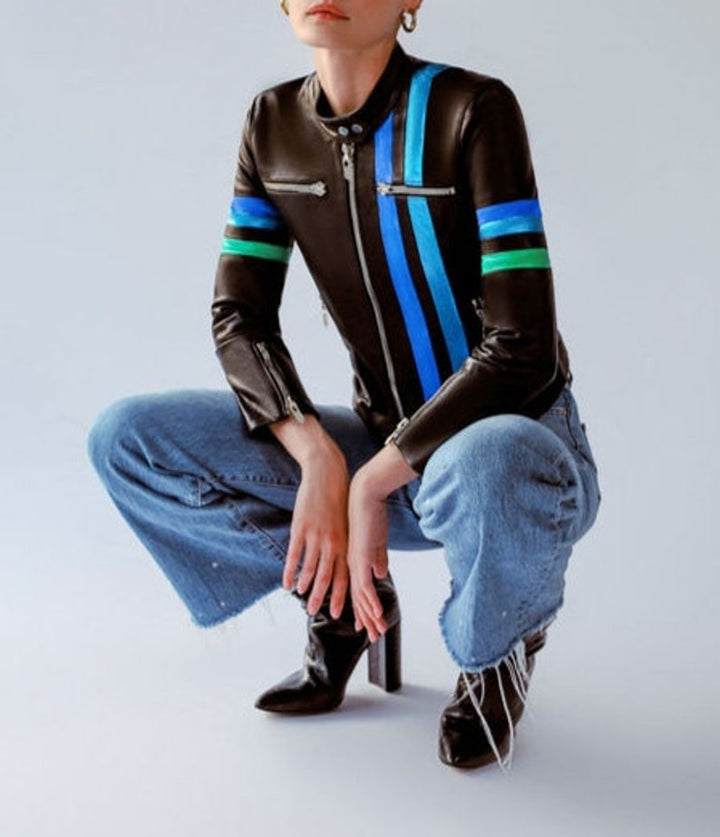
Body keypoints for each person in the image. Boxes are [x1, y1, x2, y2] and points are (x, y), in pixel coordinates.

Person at [88, 0, 600, 771]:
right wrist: (319, 456)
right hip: (380, 456)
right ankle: (338, 601)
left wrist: (371, 481)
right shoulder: (272, 124)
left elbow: (522, 347)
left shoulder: (473, 111)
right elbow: (239, 317)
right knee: (128, 439)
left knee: (486, 454)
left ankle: (497, 647)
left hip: (517, 459)